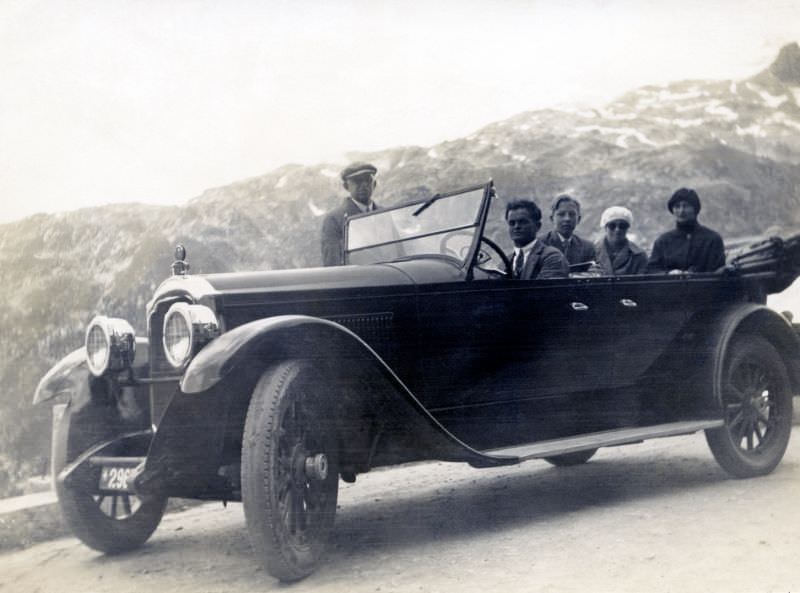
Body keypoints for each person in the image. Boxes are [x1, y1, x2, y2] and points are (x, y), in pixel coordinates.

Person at [647, 188, 725, 274]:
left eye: (686, 206)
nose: (681, 211)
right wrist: (668, 274)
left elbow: (719, 273)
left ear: (695, 209)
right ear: (672, 210)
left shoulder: (713, 240)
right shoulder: (663, 241)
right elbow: (651, 270)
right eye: (677, 206)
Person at [321, 162, 380, 266]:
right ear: (346, 186)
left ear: (374, 184)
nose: (363, 186)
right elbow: (332, 264)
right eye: (357, 181)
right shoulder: (334, 220)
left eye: (367, 180)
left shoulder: (385, 215)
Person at [505, 199, 568, 280]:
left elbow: (544, 291)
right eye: (512, 223)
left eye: (523, 222)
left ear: (537, 226)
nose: (516, 227)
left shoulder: (553, 258)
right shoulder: (505, 262)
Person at [542, 194, 597, 268]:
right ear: (552, 218)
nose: (567, 219)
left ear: (579, 219)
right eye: (561, 214)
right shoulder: (541, 245)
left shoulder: (588, 248)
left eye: (572, 214)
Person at [594, 206, 648, 276]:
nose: (617, 230)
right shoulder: (591, 252)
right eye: (612, 226)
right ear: (605, 227)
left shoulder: (639, 255)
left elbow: (642, 284)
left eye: (622, 226)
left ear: (627, 228)